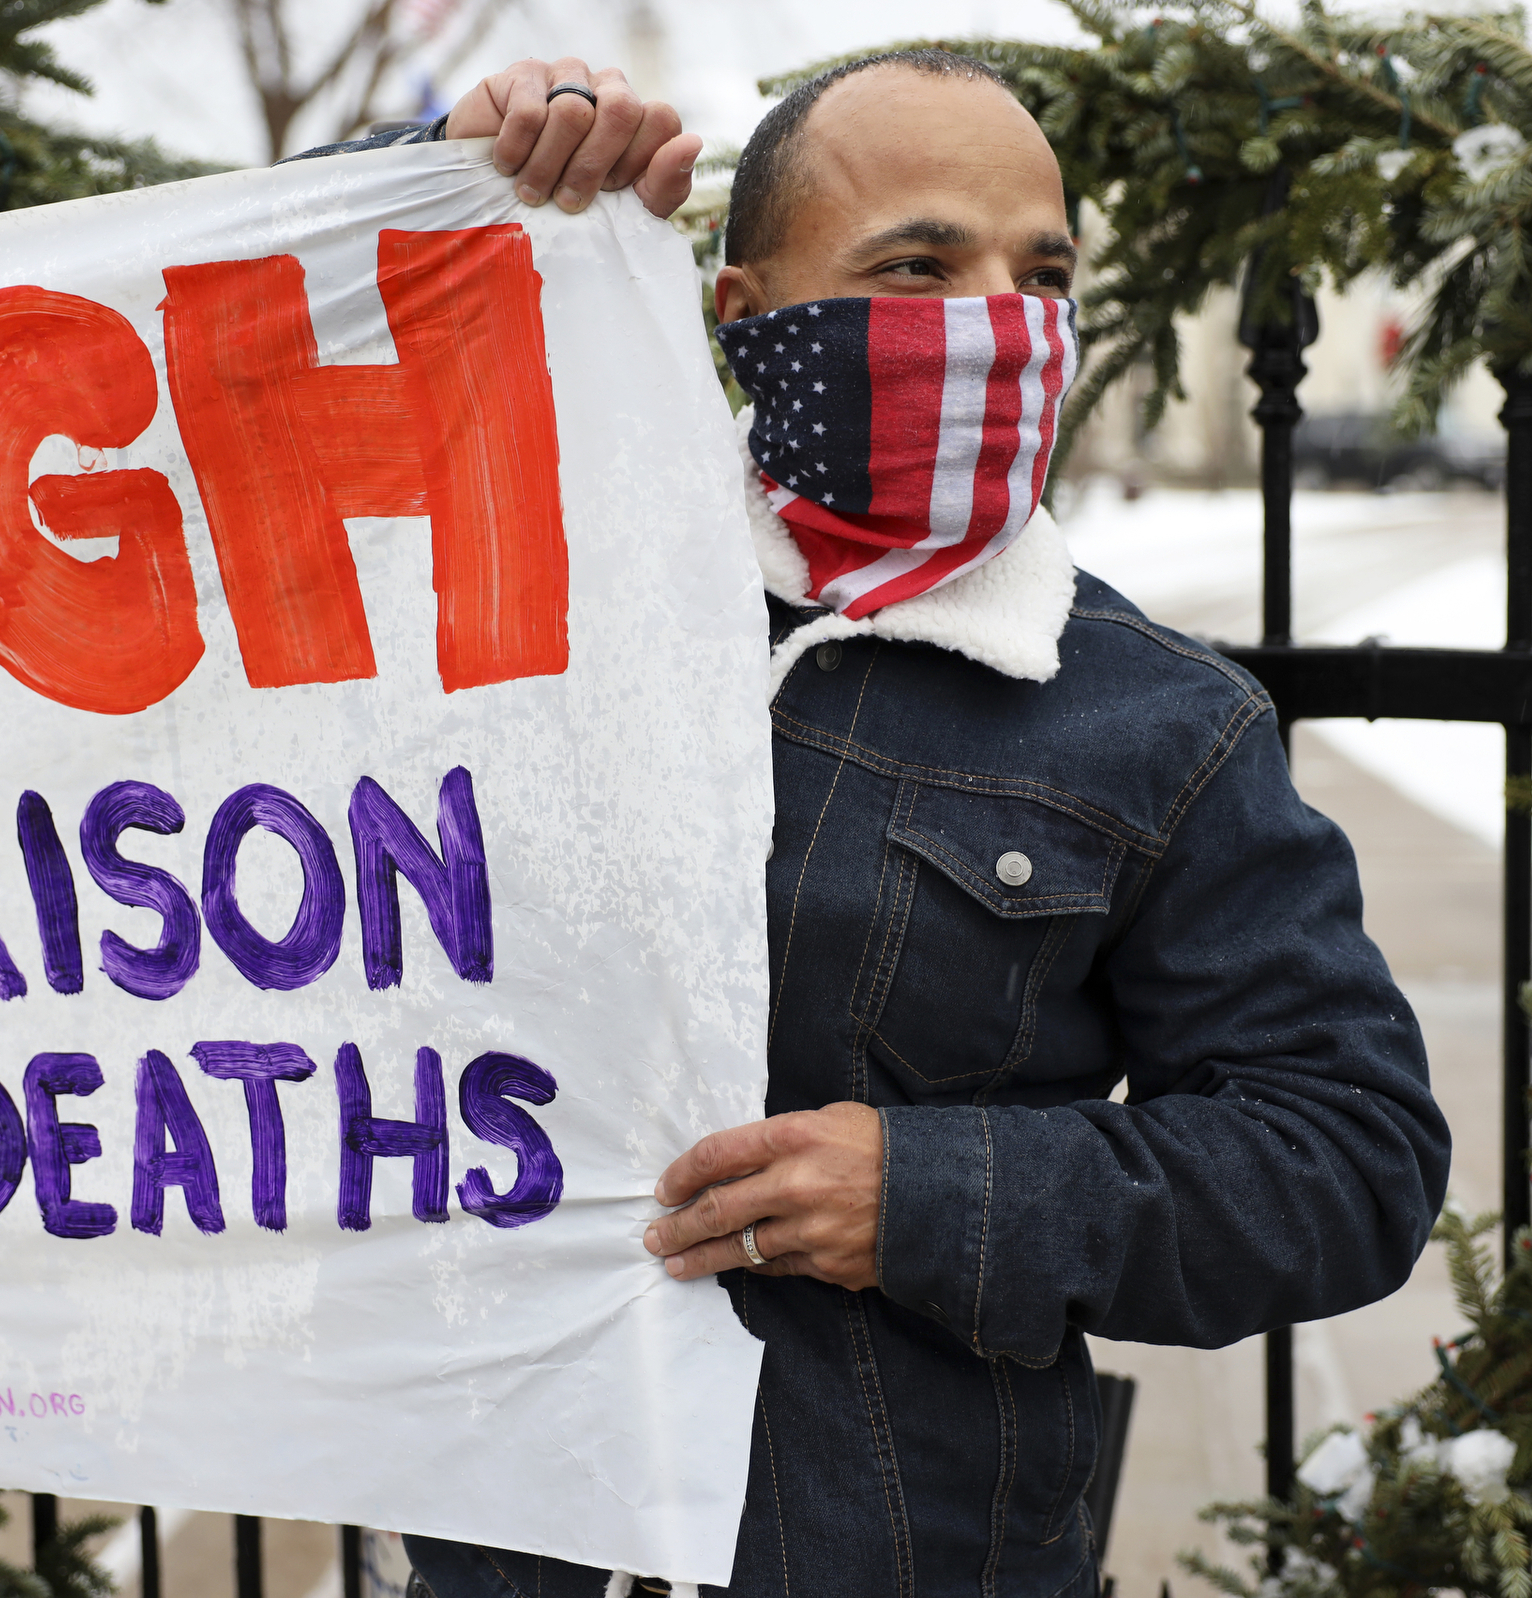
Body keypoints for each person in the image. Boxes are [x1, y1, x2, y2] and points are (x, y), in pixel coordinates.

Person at [295, 49, 1451, 1598]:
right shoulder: (538, 603)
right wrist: (444, 171)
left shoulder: (1159, 722)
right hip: (501, 1550)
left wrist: (936, 1193)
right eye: (918, 264)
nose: (996, 318)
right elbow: (246, 410)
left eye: (1040, 272)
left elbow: (1347, 1158)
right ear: (749, 314)